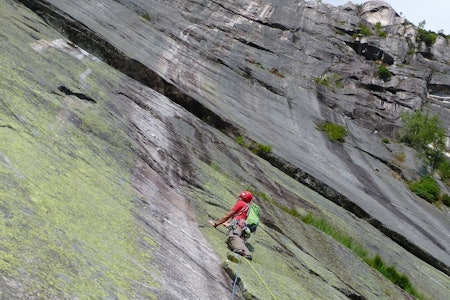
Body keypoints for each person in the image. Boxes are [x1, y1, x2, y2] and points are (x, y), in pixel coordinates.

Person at [209, 191, 253, 260]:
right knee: (239, 239)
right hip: (243, 227)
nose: (238, 198)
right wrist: (229, 224)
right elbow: (241, 218)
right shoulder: (247, 207)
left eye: (240, 197)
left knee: (233, 236)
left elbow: (227, 215)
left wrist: (216, 224)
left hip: (237, 225)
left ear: (243, 198)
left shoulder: (241, 203)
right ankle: (247, 254)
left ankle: (240, 250)